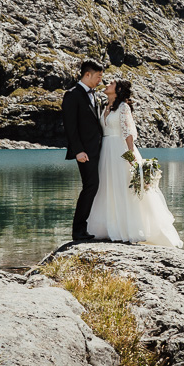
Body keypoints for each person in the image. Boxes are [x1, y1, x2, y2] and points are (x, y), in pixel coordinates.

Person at [86, 79, 183, 248]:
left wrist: (132, 155)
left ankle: (129, 228)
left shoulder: (123, 107)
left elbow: (128, 132)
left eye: (111, 83)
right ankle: (109, 227)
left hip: (120, 150)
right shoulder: (104, 107)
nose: (107, 84)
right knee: (108, 187)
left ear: (118, 89)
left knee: (124, 187)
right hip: (105, 152)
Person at [61, 59, 105, 241]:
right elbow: (70, 126)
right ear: (87, 74)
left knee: (93, 186)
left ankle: (88, 227)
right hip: (85, 152)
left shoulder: (94, 95)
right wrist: (78, 150)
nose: (100, 81)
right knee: (90, 186)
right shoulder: (72, 95)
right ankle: (78, 230)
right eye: (98, 76)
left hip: (98, 150)